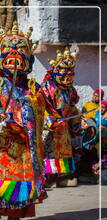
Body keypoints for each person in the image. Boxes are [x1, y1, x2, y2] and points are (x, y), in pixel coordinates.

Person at [0, 23, 63, 220]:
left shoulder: (31, 87)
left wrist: (43, 112)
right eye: (9, 52)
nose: (14, 56)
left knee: (21, 182)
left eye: (20, 52)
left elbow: (46, 106)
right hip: (0, 143)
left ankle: (14, 215)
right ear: (0, 57)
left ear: (28, 59)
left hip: (22, 145)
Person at [40, 47, 80, 187]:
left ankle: (63, 177)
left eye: (70, 72)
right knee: (49, 152)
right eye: (64, 71)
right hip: (51, 126)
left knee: (64, 151)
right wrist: (48, 120)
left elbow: (72, 106)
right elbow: (41, 105)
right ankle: (49, 178)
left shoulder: (69, 90)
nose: (68, 75)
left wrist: (76, 119)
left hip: (64, 128)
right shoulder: (47, 87)